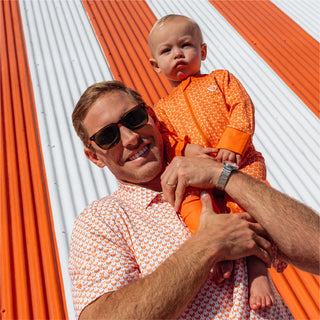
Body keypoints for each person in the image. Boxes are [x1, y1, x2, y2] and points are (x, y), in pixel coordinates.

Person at [69, 80, 296, 319]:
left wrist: (225, 177)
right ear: (94, 156)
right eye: (108, 136)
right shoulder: (100, 220)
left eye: (133, 118)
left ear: (152, 117)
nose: (130, 139)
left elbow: (310, 248)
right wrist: (207, 245)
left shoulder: (217, 170)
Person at [148, 14, 271, 310]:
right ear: (155, 65)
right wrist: (186, 149)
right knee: (189, 204)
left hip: (238, 163)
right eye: (166, 51)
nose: (177, 53)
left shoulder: (221, 79)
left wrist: (232, 144)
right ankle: (213, 249)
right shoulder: (161, 110)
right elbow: (165, 142)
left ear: (202, 52)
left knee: (250, 198)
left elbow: (242, 108)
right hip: (197, 176)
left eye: (186, 45)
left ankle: (258, 268)